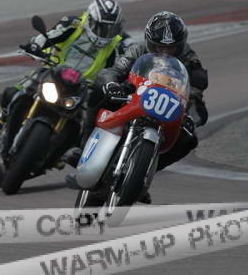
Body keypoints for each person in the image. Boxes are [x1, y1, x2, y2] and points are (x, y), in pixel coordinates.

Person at [81, 11, 208, 190]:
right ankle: (85, 142)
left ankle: (143, 172)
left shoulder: (190, 61)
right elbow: (115, 70)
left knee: (189, 139)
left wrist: (191, 119)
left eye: (171, 48)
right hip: (132, 96)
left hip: (165, 108)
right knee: (99, 91)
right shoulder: (137, 49)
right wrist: (112, 84)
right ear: (149, 42)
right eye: (159, 47)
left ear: (180, 45)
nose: (164, 52)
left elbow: (195, 97)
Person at [0, 0, 128, 146]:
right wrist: (35, 46)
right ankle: (3, 118)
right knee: (13, 92)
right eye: (101, 28)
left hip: (83, 88)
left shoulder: (116, 46)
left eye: (111, 29)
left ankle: (76, 149)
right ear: (91, 20)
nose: (105, 33)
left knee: (88, 122)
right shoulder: (73, 24)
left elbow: (115, 70)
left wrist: (115, 85)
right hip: (53, 71)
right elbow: (50, 35)